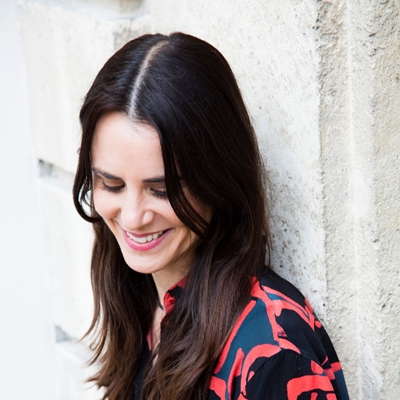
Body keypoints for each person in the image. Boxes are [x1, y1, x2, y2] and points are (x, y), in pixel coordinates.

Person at [73, 32, 349, 400]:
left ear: (218, 180)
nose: (134, 217)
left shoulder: (273, 353)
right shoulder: (138, 293)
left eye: (162, 190)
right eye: (112, 185)